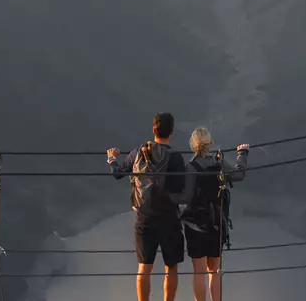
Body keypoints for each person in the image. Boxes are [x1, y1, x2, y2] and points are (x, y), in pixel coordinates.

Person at [107, 112, 194, 301]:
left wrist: (112, 159)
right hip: (169, 218)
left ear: (153, 129)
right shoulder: (176, 158)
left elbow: (118, 173)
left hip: (145, 217)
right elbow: (179, 189)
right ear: (171, 131)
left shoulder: (138, 152)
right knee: (171, 267)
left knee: (144, 267)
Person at [181, 128, 250, 301]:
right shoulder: (218, 163)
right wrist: (242, 154)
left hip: (195, 225)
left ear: (193, 145)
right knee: (215, 270)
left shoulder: (190, 167)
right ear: (210, 143)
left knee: (199, 271)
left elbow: (186, 197)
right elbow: (238, 175)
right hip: (216, 224)